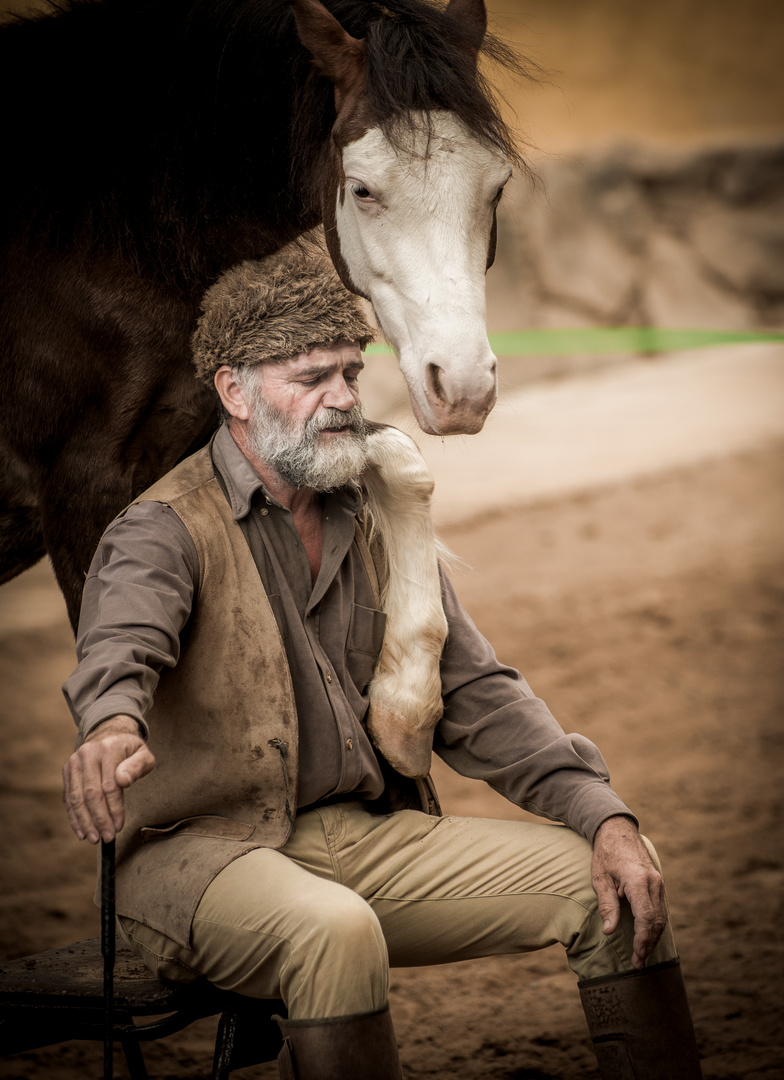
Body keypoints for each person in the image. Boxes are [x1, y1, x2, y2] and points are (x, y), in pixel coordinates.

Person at [62, 246, 702, 1080]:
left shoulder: (375, 511)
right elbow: (121, 642)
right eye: (309, 378)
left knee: (611, 886)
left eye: (350, 374)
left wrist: (604, 815)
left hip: (363, 838)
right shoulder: (161, 530)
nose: (341, 400)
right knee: (334, 930)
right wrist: (111, 723)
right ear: (233, 392)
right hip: (200, 857)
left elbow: (474, 689)